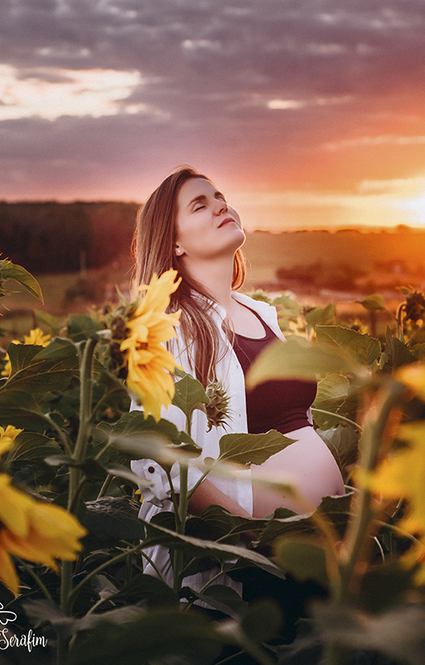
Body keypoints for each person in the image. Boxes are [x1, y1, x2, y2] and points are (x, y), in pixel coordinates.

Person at [129, 166, 346, 595]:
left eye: (220, 197)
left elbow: (294, 423)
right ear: (174, 242)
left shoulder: (260, 314)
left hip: (315, 554)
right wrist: (246, 538)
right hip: (246, 568)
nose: (220, 205)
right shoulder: (166, 326)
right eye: (199, 204)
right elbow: (158, 453)